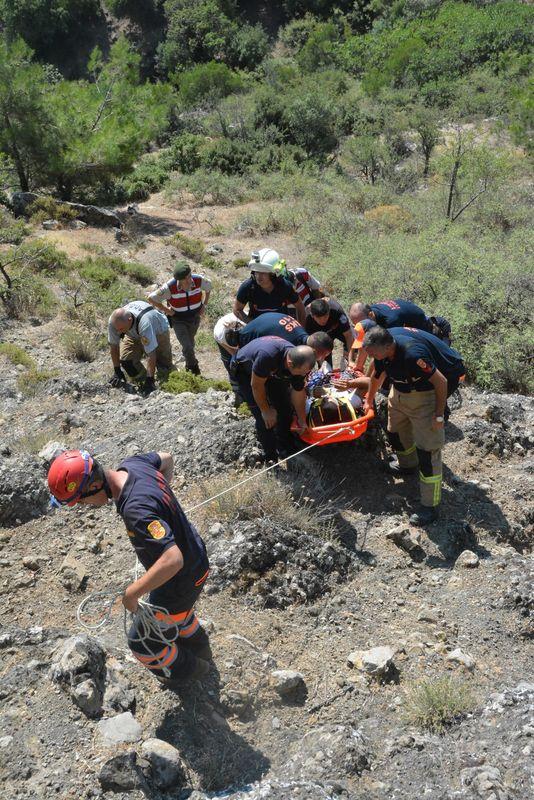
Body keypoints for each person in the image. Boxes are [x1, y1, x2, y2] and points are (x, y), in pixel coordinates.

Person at [47, 449, 211, 686]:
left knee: (143, 644)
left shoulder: (135, 509)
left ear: (94, 484)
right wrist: (160, 497)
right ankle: (201, 650)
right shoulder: (133, 464)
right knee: (178, 614)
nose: (83, 505)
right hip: (195, 555)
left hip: (181, 578)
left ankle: (194, 672)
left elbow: (173, 560)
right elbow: (167, 458)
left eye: (81, 499)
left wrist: (131, 594)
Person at [362, 326, 465, 526]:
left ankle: (430, 506)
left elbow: (441, 382)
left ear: (386, 347)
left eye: (372, 353)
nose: (370, 356)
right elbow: (377, 375)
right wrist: (368, 399)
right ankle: (407, 464)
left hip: (424, 397)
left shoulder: (412, 355)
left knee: (427, 452)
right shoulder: (382, 354)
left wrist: (438, 414)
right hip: (399, 393)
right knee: (394, 432)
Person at [231, 338, 316, 462]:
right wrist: (265, 410)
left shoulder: (300, 362)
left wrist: (302, 419)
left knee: (285, 409)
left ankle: (286, 448)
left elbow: (298, 392)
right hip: (245, 371)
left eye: (305, 373)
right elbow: (256, 385)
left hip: (273, 372)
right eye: (300, 373)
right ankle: (271, 459)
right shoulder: (267, 356)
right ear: (290, 364)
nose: (302, 375)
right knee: (265, 419)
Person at [148, 261, 211, 376]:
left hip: (194, 318)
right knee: (187, 346)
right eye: (185, 279)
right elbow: (152, 298)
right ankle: (194, 370)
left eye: (189, 276)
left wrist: (204, 305)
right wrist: (167, 311)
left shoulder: (198, 280)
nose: (189, 280)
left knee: (190, 344)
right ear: (178, 280)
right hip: (178, 320)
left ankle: (188, 364)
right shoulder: (170, 287)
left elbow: (209, 287)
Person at [108, 301, 173, 395]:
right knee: (127, 361)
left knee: (164, 367)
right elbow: (113, 346)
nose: (118, 332)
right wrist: (117, 370)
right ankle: (142, 382)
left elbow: (151, 354)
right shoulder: (114, 322)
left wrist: (150, 380)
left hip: (158, 330)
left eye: (121, 329)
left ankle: (160, 381)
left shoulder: (144, 323)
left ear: (129, 320)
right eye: (117, 329)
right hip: (133, 333)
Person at [233, 248, 306, 326]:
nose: (258, 276)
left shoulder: (284, 286)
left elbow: (300, 308)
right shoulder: (248, 287)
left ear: (272, 274)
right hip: (257, 327)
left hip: (281, 327)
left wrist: (300, 330)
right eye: (256, 272)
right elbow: (237, 309)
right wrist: (253, 324)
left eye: (263, 273)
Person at [236, 312, 333, 363]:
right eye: (323, 355)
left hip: (257, 325)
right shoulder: (290, 344)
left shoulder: (301, 335)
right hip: (243, 339)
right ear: (315, 350)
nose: (323, 358)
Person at [350, 299, 452, 344]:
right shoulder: (370, 311)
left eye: (362, 323)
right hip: (408, 315)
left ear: (371, 315)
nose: (361, 326)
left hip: (421, 325)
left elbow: (390, 347)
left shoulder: (390, 321)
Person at [305, 298, 354, 366]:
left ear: (329, 312)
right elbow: (313, 345)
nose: (323, 320)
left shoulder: (336, 311)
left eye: (326, 316)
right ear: (313, 316)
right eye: (319, 318)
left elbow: (348, 336)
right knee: (324, 360)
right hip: (320, 335)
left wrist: (350, 359)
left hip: (337, 329)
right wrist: (322, 365)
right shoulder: (307, 318)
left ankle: (346, 365)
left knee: (354, 347)